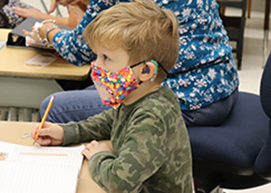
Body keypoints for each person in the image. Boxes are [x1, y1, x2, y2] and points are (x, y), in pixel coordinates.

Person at [31, 1, 193, 192]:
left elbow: (119, 182)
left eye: (106, 58)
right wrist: (67, 132)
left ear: (145, 71)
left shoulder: (153, 116)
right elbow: (110, 121)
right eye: (97, 56)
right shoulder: (139, 97)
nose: (96, 66)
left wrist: (100, 155)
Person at [26, 0, 239, 126]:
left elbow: (79, 51)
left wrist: (47, 30)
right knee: (92, 89)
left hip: (185, 98)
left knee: (54, 108)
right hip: (222, 86)